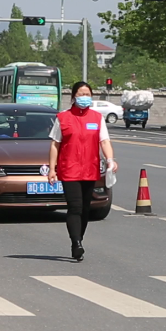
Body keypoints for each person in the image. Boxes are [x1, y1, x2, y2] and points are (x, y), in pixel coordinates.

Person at [48, 81, 119, 262]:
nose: (84, 97)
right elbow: (55, 144)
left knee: (85, 209)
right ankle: (76, 243)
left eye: (87, 94)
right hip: (69, 170)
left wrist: (110, 160)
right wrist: (52, 169)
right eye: (81, 94)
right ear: (73, 96)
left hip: (90, 169)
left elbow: (104, 141)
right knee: (75, 207)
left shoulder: (97, 118)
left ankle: (79, 238)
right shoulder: (63, 118)